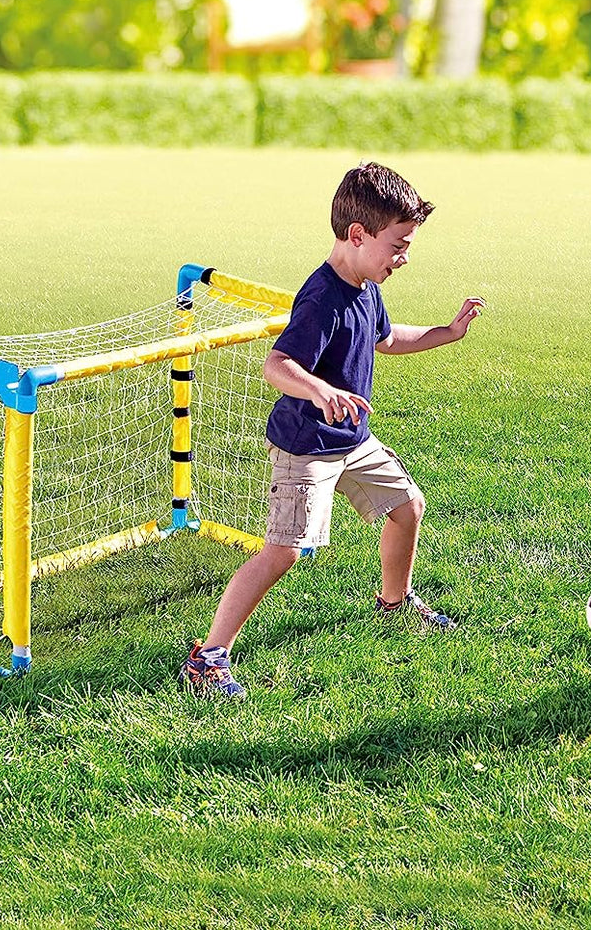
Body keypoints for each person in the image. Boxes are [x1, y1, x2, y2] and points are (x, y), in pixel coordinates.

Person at [180, 162, 485, 698]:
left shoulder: (366, 285)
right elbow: (277, 365)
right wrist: (320, 391)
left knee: (407, 507)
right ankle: (208, 657)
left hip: (353, 439)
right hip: (308, 449)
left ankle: (394, 605)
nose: (404, 256)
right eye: (398, 244)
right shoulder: (322, 299)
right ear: (358, 235)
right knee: (285, 551)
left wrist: (447, 332)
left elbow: (387, 339)